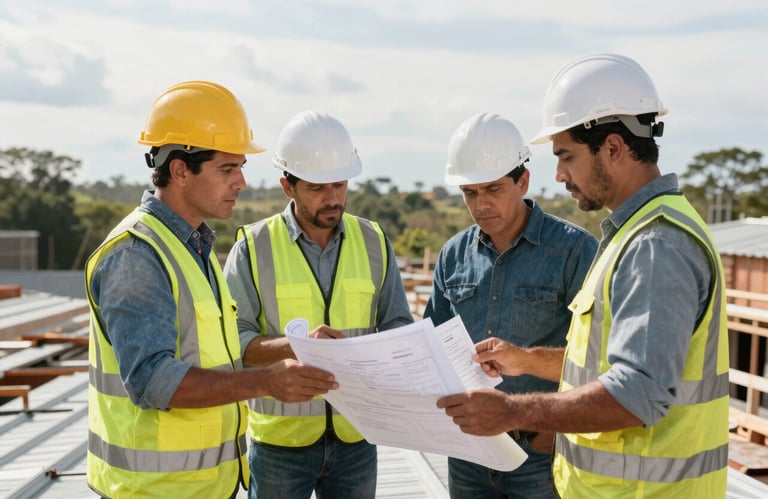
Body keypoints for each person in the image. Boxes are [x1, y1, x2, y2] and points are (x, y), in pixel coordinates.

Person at [437, 54, 730, 498]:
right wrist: (527, 361)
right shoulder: (635, 235)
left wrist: (511, 411)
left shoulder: (654, 244)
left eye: (567, 156)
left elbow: (637, 394)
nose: (560, 174)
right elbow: (601, 362)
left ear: (612, 148)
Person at [85, 81, 339, 498]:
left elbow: (215, 352)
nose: (241, 182)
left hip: (201, 487)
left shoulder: (194, 247)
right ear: (180, 170)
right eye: (227, 169)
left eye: (240, 167)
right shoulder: (136, 256)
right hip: (153, 490)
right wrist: (266, 383)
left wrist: (293, 348)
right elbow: (153, 381)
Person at [223, 110, 414, 499]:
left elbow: (397, 325)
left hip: (357, 437)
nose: (332, 199)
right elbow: (234, 345)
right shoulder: (252, 248)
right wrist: (298, 348)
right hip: (280, 444)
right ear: (287, 186)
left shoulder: (374, 241)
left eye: (341, 185)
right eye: (317, 188)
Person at [424, 113, 597, 498]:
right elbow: (431, 347)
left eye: (493, 189)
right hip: (469, 451)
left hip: (541, 453)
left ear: (523, 181)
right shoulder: (453, 256)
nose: (481, 204)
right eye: (470, 193)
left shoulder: (575, 251)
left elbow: (597, 359)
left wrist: (549, 432)